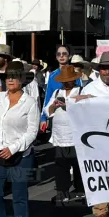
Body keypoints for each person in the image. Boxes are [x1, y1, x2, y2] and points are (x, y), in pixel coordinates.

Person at [73, 52, 109, 217]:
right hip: (99, 139)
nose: (107, 72)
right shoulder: (90, 89)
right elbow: (77, 111)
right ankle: (101, 211)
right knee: (101, 174)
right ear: (100, 70)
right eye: (104, 68)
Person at [0, 61, 39, 217]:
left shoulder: (30, 103)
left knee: (19, 196)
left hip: (20, 155)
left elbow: (32, 132)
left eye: (15, 76)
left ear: (22, 79)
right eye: (7, 76)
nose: (10, 79)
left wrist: (14, 147)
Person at [44, 65, 85, 208]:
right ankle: (62, 190)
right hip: (59, 134)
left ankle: (81, 191)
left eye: (69, 80)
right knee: (61, 165)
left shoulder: (80, 91)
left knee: (78, 164)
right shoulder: (57, 92)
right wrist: (54, 106)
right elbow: (47, 110)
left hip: (75, 134)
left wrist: (68, 105)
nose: (67, 83)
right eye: (65, 81)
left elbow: (84, 109)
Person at [40, 45, 82, 132]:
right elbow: (48, 96)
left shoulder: (75, 75)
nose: (61, 56)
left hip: (73, 117)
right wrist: (43, 118)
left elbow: (80, 95)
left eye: (64, 54)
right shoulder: (52, 76)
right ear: (56, 57)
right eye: (58, 54)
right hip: (56, 116)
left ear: (69, 56)